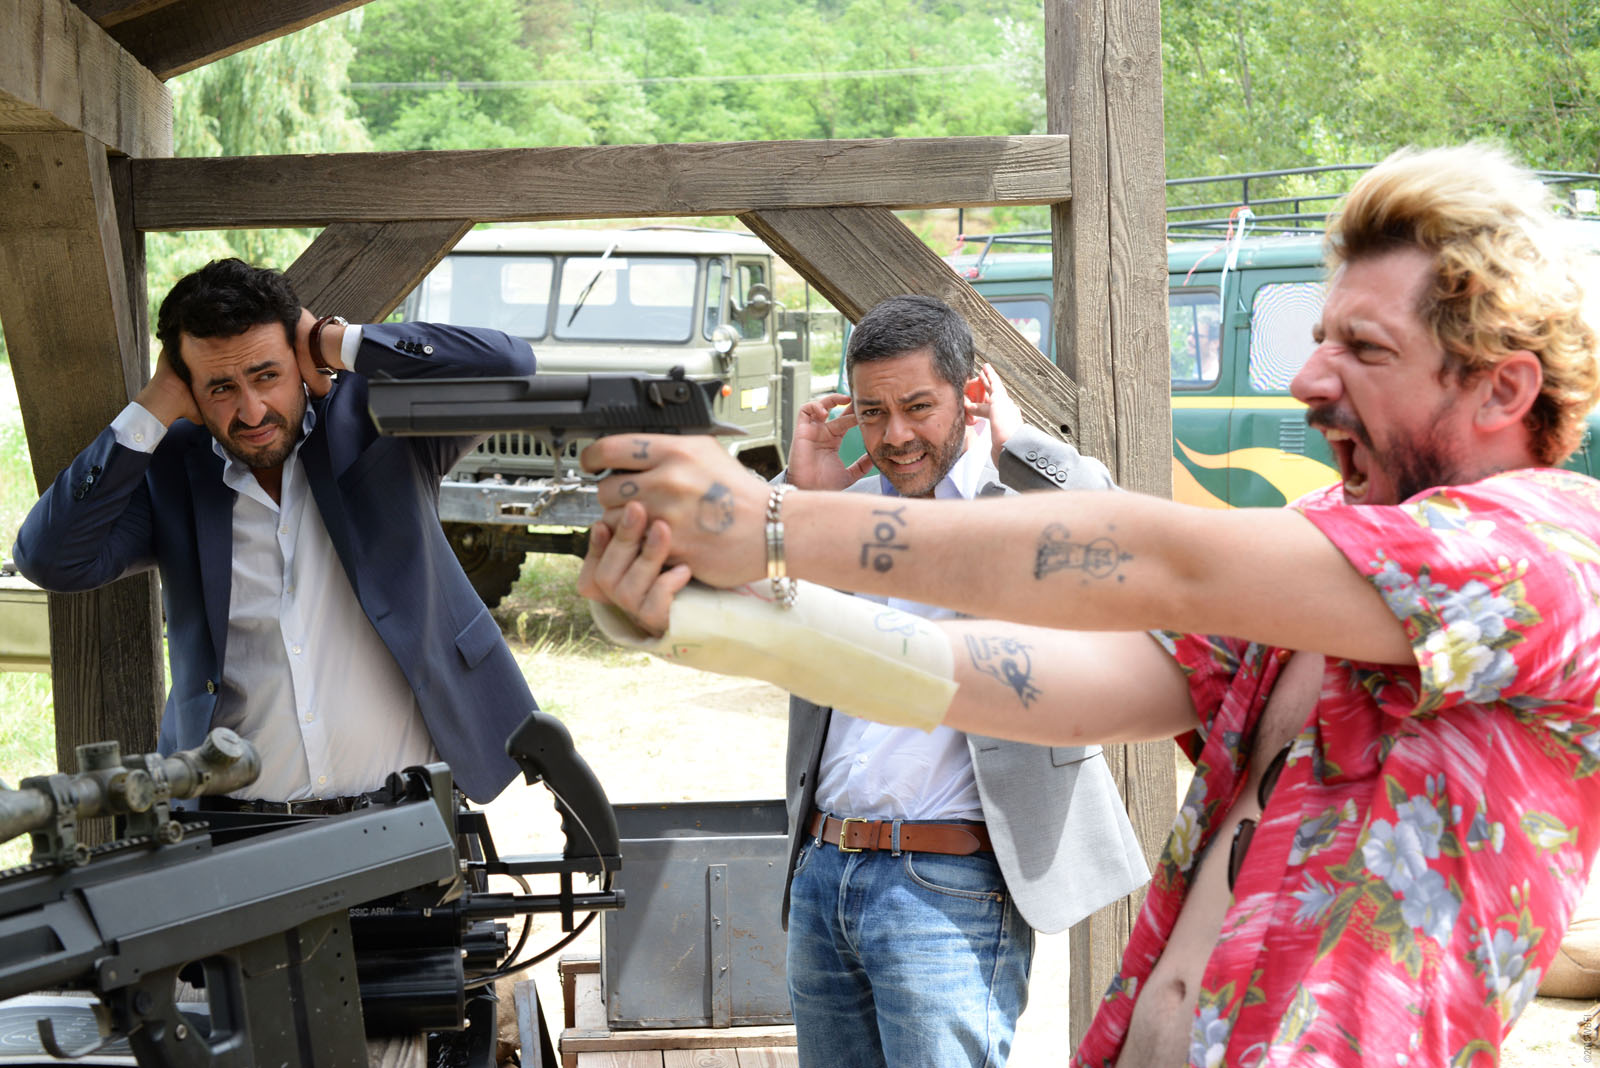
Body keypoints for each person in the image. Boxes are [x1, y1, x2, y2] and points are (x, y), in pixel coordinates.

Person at [577, 144, 1600, 1067]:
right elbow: (1057, 691)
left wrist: (768, 518)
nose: (1304, 378)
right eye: (1319, 338)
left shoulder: (1552, 553)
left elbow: (1160, 563)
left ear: (1501, 391)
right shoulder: (1329, 538)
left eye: (1362, 350)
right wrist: (730, 618)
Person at [717, 294, 1149, 1066]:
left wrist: (1022, 442)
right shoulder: (836, 514)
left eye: (918, 406)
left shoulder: (1022, 505)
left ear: (970, 394)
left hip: (948, 884)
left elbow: (1117, 538)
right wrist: (799, 494)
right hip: (823, 876)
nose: (896, 435)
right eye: (873, 412)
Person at [13, 258, 538, 807]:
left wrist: (334, 341)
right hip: (236, 831)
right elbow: (49, 559)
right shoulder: (172, 470)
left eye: (267, 375)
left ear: (298, 359)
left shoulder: (377, 419)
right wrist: (154, 405)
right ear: (188, 388)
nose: (252, 409)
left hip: (407, 816)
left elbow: (511, 367)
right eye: (220, 387)